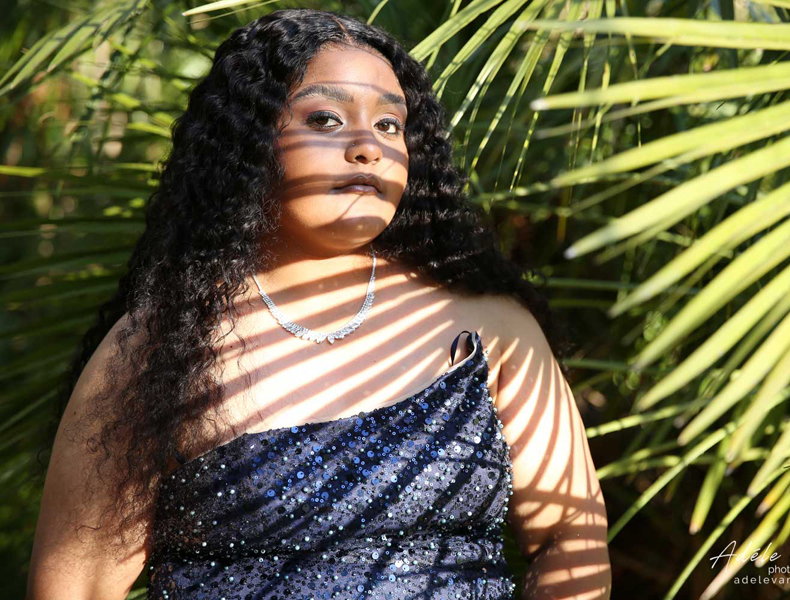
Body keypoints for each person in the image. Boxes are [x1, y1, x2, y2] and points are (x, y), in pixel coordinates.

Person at [27, 8, 610, 599]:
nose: (368, 147)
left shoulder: (491, 328)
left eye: (390, 125)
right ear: (249, 142)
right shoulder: (161, 348)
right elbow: (75, 586)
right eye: (327, 119)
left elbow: (571, 541)